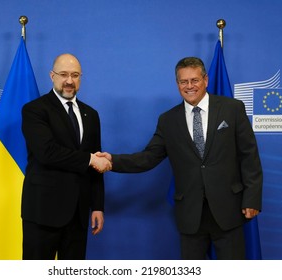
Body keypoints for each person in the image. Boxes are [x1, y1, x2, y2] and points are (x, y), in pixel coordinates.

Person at [98, 57, 263, 260]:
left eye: (194, 80)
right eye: (183, 82)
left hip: (229, 209)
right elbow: (148, 157)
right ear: (177, 84)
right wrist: (112, 160)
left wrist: (252, 198)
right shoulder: (168, 120)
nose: (189, 86)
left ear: (206, 80)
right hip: (190, 214)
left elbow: (249, 156)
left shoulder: (232, 109)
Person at [21, 53, 112, 260]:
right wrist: (89, 159)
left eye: (75, 75)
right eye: (63, 74)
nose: (69, 81)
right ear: (52, 76)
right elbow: (47, 153)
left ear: (81, 78)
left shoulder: (91, 114)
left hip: (78, 214)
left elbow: (96, 164)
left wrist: (97, 206)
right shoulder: (35, 110)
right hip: (43, 212)